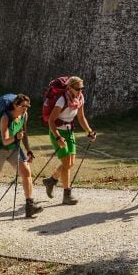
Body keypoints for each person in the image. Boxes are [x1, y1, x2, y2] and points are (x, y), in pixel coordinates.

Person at [0, 94, 40, 218]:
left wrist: (28, 150)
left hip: (14, 149)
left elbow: (24, 133)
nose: (25, 109)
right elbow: (5, 140)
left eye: (27, 106)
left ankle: (30, 205)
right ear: (15, 105)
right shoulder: (5, 118)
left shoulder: (24, 115)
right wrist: (16, 137)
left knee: (26, 172)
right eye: (23, 106)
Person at [41, 76, 97, 205]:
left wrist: (89, 131)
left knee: (70, 164)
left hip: (69, 132)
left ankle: (51, 181)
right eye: (77, 88)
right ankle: (67, 195)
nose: (80, 91)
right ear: (69, 87)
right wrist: (58, 137)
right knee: (67, 164)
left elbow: (81, 117)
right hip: (58, 132)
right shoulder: (62, 100)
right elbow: (51, 121)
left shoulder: (80, 98)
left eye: (82, 88)